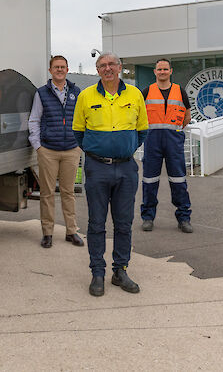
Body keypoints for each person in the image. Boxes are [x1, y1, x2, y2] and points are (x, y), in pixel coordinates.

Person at [72, 52, 148, 296]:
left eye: (111, 65)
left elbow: (142, 130)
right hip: (97, 168)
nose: (107, 69)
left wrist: (123, 150)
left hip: (126, 168)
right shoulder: (85, 96)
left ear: (120, 68)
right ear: (97, 70)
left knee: (124, 223)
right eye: (102, 65)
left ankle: (120, 270)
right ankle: (97, 272)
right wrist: (100, 152)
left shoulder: (135, 95)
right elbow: (78, 133)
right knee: (96, 223)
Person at [28, 55, 83, 248]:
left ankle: (71, 231)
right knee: (47, 193)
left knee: (68, 193)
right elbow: (34, 119)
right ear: (50, 70)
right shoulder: (42, 93)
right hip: (48, 151)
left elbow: (83, 120)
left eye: (63, 67)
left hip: (71, 150)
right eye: (56, 67)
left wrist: (80, 144)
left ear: (67, 69)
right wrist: (38, 147)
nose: (59, 70)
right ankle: (47, 233)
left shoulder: (76, 92)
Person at [140, 58, 193, 233]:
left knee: (179, 181)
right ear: (155, 72)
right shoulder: (146, 91)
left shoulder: (180, 91)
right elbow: (139, 116)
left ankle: (184, 218)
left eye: (165, 69)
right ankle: (148, 217)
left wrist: (174, 131)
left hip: (174, 142)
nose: (162, 72)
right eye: (159, 69)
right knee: (149, 180)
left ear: (171, 71)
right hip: (152, 141)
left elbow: (187, 116)